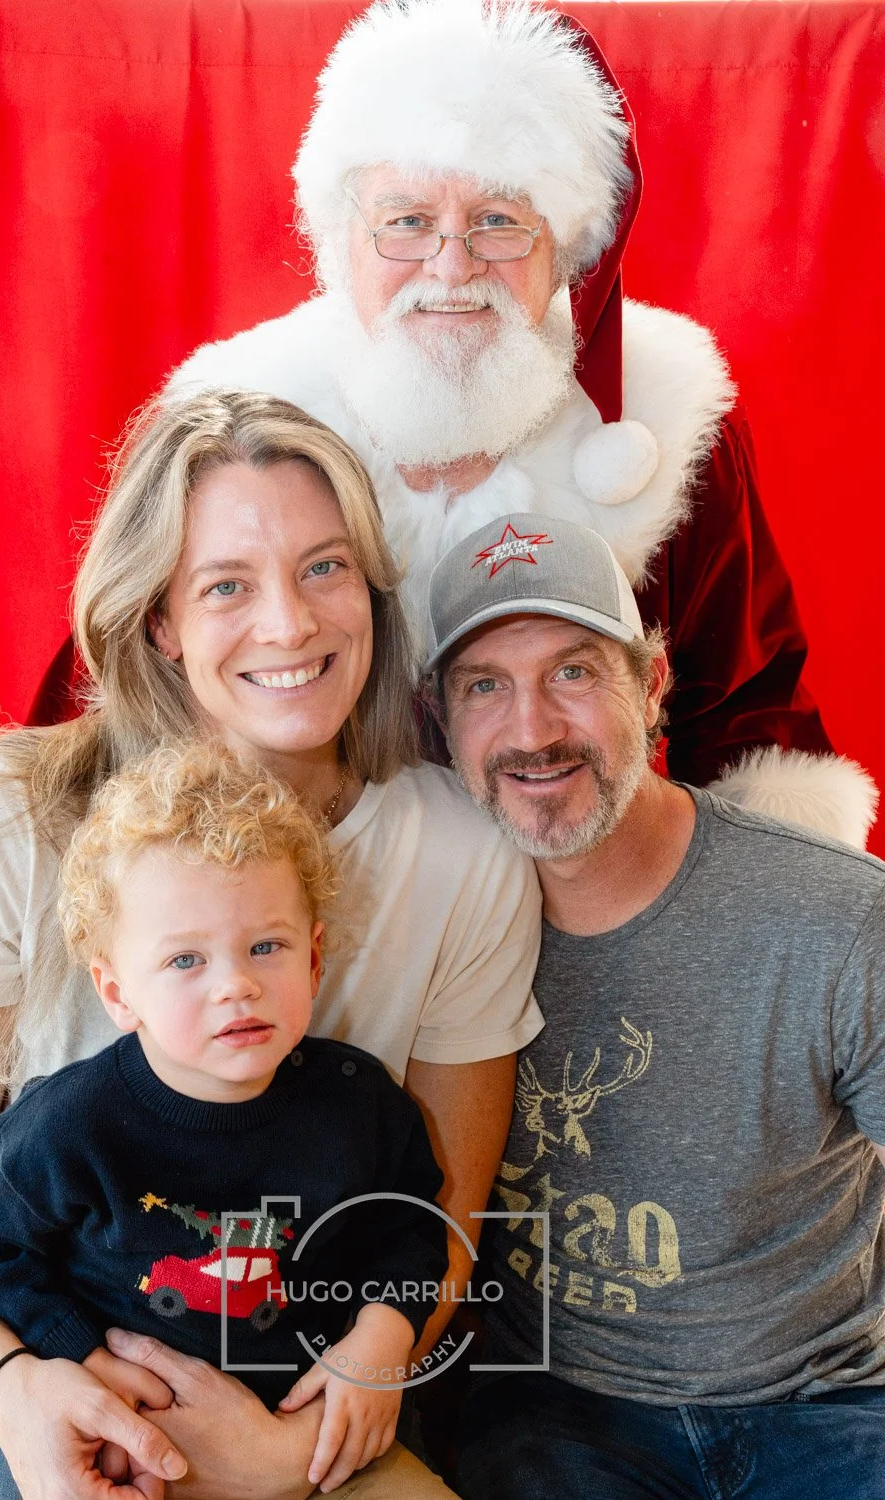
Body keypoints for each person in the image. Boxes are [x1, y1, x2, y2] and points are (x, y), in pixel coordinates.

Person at [0, 390, 541, 1500]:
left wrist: (300, 1439)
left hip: (314, 1386)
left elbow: (438, 1217)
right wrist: (15, 1383)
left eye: (325, 568)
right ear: (160, 622)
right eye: (227, 585)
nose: (289, 623)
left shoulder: (462, 852)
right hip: (47, 1362)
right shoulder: (3, 821)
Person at [78, 0, 869, 848]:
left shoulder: (667, 418)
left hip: (588, 899)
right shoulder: (232, 430)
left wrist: (766, 919)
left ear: (565, 250)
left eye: (499, 221)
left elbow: (749, 726)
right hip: (296, 900)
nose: (451, 268)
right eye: (406, 222)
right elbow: (114, 701)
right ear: (339, 241)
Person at [423, 511, 885, 1499]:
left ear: (652, 684)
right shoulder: (432, 928)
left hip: (829, 1407)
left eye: (574, 673)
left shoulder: (841, 916)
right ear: (442, 720)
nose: (532, 731)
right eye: (484, 686)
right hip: (562, 1417)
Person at [0, 741, 449, 1496]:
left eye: (266, 946)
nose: (237, 985)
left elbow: (411, 1227)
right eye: (186, 961)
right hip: (129, 1441)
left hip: (316, 1445)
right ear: (118, 993)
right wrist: (82, 1356)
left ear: (314, 959)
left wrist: (386, 1331)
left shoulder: (361, 1106)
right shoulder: (67, 1125)